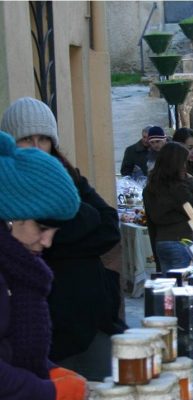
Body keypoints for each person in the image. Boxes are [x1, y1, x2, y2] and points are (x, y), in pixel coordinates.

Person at [1, 97, 123, 381]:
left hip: (92, 319)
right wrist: (81, 229)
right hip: (48, 324)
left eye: (43, 139)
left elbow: (107, 227)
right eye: (26, 139)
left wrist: (61, 236)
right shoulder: (8, 187)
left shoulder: (67, 176)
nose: (36, 147)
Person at [0, 131, 88, 400]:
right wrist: (46, 391)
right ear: (12, 218)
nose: (47, 242)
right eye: (43, 228)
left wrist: (47, 370)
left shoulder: (14, 265)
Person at [143, 142, 193, 272]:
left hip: (162, 242)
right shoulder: (178, 187)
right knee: (181, 288)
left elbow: (152, 221)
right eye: (184, 162)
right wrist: (191, 182)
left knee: (171, 287)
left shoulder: (151, 187)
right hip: (180, 241)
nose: (186, 166)